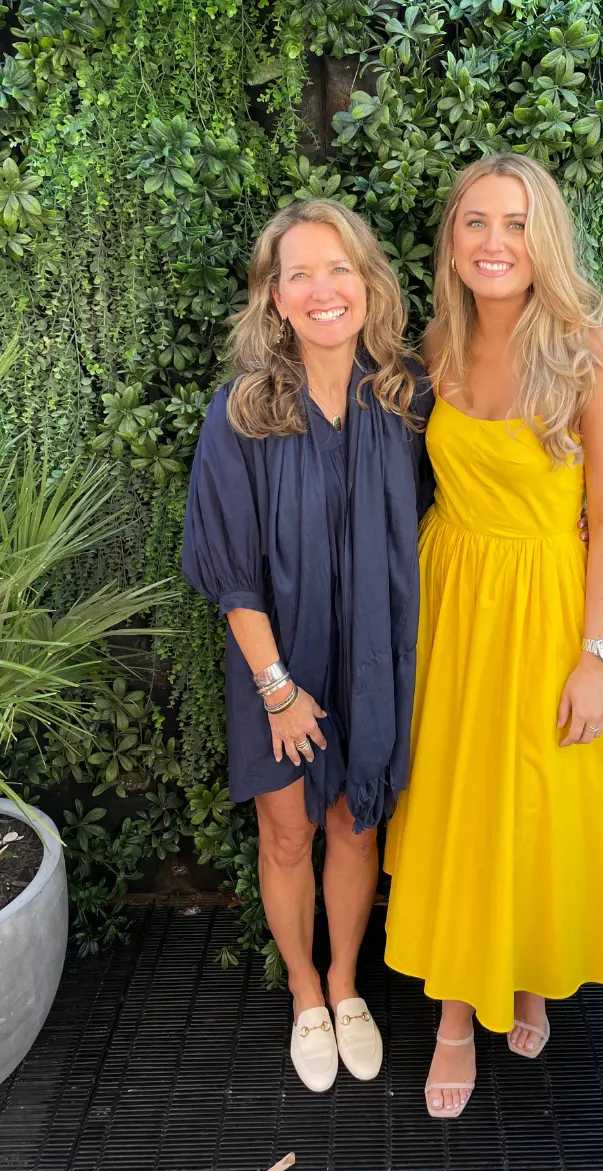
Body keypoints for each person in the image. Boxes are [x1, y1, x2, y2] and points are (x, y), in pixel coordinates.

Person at [381, 153, 603, 1119]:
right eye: (477, 222)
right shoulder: (435, 347)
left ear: (548, 241)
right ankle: (456, 1015)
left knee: (531, 804)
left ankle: (527, 969)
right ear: (452, 240)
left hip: (542, 612)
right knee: (457, 807)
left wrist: (596, 659)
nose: (496, 243)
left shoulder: (596, 358)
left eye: (518, 224)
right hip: (449, 605)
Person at [181, 199, 431, 1094]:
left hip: (375, 658)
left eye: (339, 269)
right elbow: (229, 571)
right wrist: (279, 691)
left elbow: (460, 510)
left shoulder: (407, 398)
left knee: (356, 823)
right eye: (300, 275)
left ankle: (345, 984)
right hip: (274, 665)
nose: (324, 290)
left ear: (367, 282)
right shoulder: (243, 410)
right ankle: (303, 991)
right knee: (287, 833)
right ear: (276, 297)